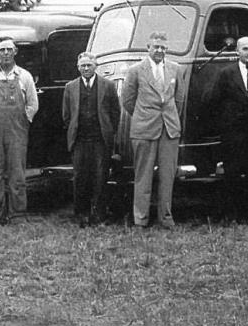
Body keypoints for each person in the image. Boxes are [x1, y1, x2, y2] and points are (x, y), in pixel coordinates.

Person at [0, 37, 39, 225]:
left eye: (9, 49)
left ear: (15, 51)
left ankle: (18, 214)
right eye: (2, 50)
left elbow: (33, 104)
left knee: (17, 173)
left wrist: (24, 119)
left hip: (17, 131)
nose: (6, 53)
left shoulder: (24, 76)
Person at [120, 29, 182, 229]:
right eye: (156, 47)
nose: (160, 51)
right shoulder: (135, 70)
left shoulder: (175, 69)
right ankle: (141, 218)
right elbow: (128, 101)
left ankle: (165, 217)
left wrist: (170, 117)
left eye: (163, 47)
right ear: (148, 48)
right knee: (143, 175)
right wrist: (144, 115)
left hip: (169, 129)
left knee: (167, 176)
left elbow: (179, 98)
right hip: (144, 128)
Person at [208, 35, 248, 206]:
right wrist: (226, 126)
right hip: (233, 135)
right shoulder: (226, 74)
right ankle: (233, 213)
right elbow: (215, 102)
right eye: (245, 49)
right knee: (232, 174)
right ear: (237, 51)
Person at [62, 52, 122, 226]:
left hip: (100, 141)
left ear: (95, 66)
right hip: (79, 140)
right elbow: (66, 116)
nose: (86, 68)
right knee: (80, 178)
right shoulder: (70, 87)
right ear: (78, 67)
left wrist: (109, 132)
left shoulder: (108, 85)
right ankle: (81, 214)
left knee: (100, 178)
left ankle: (99, 214)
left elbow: (115, 113)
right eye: (82, 65)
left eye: (89, 65)